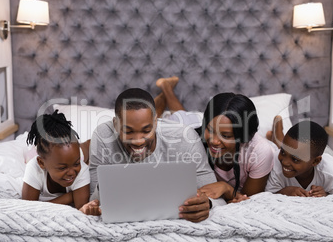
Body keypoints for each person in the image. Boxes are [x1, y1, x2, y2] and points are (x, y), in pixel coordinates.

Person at [80, 88, 225, 222]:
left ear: (156, 123)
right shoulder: (103, 136)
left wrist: (208, 204)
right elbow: (92, 198)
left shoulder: (186, 138)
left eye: (146, 130)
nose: (138, 141)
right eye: (128, 131)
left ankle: (166, 89)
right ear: (116, 125)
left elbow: (218, 196)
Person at [154, 77, 274, 203]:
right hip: (193, 127)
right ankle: (166, 90)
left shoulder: (260, 152)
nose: (214, 141)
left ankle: (167, 89)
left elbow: (249, 200)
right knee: (173, 118)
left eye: (226, 136)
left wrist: (227, 189)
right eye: (210, 131)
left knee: (183, 115)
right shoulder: (190, 138)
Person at [22, 110, 90, 209]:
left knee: (87, 149)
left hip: (77, 154)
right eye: (62, 168)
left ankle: (87, 144)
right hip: (66, 155)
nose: (71, 172)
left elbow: (82, 208)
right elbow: (28, 209)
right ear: (41, 163)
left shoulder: (81, 169)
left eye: (76, 164)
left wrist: (77, 163)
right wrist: (69, 197)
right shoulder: (34, 168)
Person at [265, 116, 333, 197]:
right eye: (282, 152)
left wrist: (326, 194)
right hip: (305, 151)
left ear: (315, 161)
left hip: (325, 152)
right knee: (278, 145)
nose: (285, 162)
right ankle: (277, 128)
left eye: (295, 159)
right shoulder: (275, 163)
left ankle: (273, 135)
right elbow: (268, 196)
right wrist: (285, 192)